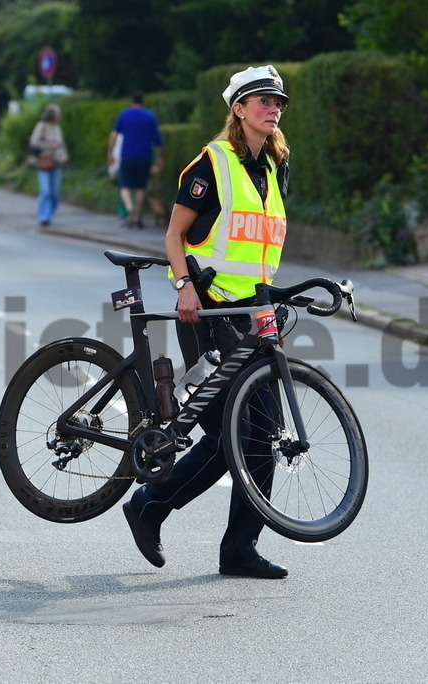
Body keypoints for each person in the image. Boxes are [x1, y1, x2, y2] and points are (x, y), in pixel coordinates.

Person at [122, 65, 292, 579]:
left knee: (262, 434)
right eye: (263, 100)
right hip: (207, 311)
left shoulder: (275, 166)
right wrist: (184, 285)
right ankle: (150, 506)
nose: (273, 108)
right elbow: (174, 235)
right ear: (239, 108)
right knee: (227, 435)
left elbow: (259, 247)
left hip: (253, 314)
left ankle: (237, 547)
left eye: (278, 102)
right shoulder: (211, 163)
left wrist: (273, 298)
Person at [107, 91, 163, 229]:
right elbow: (158, 141)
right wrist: (160, 158)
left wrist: (110, 153)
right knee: (140, 187)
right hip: (144, 156)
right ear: (143, 102)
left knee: (124, 185)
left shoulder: (124, 114)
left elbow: (114, 135)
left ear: (131, 102)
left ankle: (129, 208)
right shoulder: (150, 116)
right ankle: (137, 216)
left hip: (127, 155)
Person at [29, 104, 68, 226]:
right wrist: (49, 145)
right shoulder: (41, 126)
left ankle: (50, 214)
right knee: (45, 191)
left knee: (55, 193)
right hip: (44, 161)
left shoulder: (57, 129)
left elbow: (61, 145)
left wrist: (64, 156)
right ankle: (43, 216)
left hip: (56, 162)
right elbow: (34, 142)